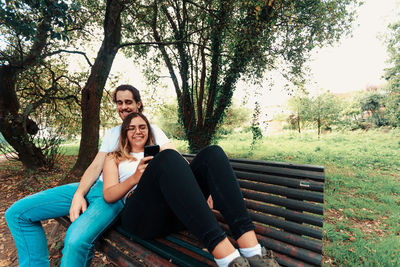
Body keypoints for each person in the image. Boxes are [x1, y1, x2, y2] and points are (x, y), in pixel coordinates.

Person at [5, 85, 176, 267]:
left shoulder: (152, 130)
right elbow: (95, 166)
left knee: (75, 241)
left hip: (115, 196)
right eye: (119, 102)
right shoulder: (112, 134)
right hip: (95, 187)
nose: (124, 107)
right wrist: (79, 194)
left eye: (128, 102)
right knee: (17, 214)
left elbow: (175, 161)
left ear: (138, 104)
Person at [102, 112, 280, 267]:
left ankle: (254, 253)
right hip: (141, 218)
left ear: (149, 131)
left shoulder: (162, 152)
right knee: (167, 158)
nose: (137, 131)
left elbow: (185, 174)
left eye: (142, 127)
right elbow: (109, 195)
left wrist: (210, 188)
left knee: (213, 153)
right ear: (124, 133)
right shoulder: (114, 157)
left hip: (176, 212)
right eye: (131, 128)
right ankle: (229, 260)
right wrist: (135, 178)